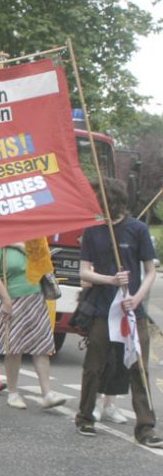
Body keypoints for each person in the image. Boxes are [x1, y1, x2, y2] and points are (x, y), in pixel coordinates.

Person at [75, 179, 161, 447]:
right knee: (94, 366)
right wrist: (109, 280)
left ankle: (146, 428)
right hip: (103, 310)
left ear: (113, 201)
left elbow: (149, 271)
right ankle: (85, 416)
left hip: (133, 312)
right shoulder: (92, 231)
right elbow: (84, 271)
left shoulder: (137, 229)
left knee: (139, 368)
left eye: (103, 201)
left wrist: (136, 298)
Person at [0, 243, 65, 411]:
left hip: (35, 298)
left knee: (41, 345)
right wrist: (6, 300)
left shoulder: (32, 240)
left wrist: (20, 246)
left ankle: (47, 393)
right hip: (10, 300)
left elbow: (45, 265)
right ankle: (13, 393)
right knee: (13, 347)